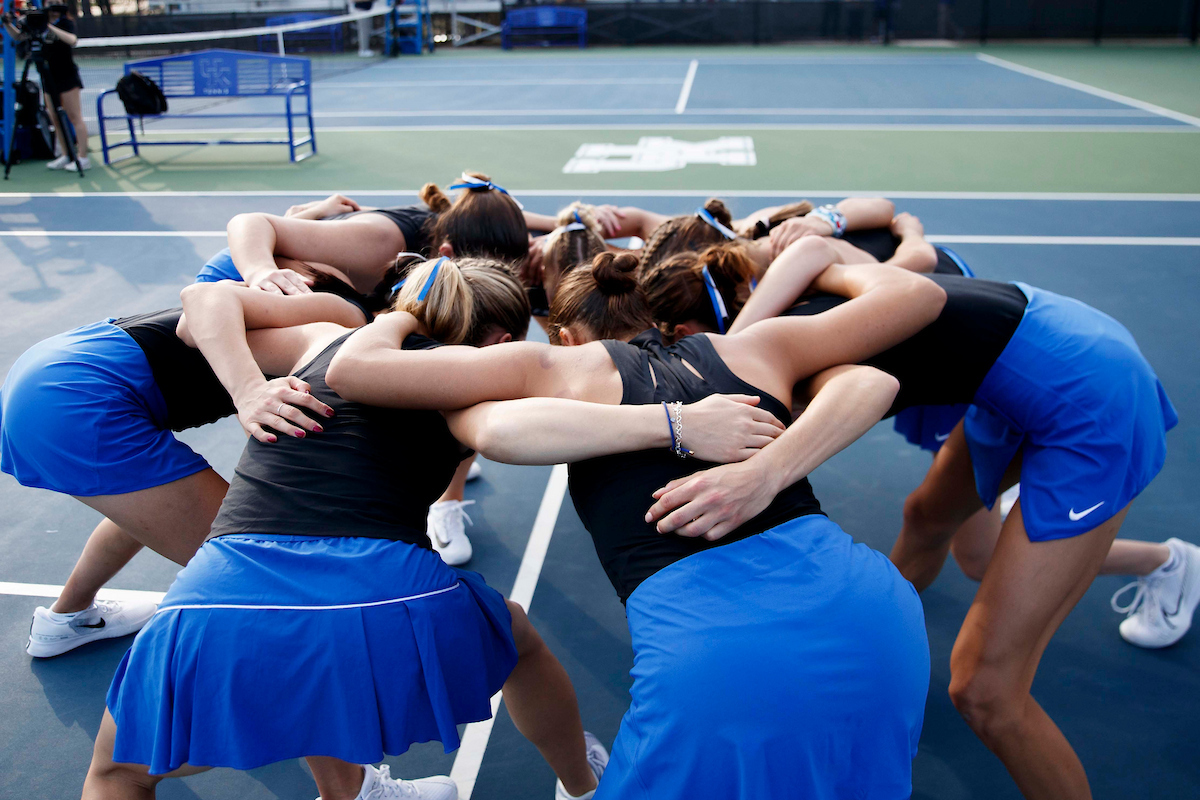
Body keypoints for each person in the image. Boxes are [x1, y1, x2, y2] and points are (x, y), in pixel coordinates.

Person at [83, 256, 782, 800]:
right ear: (499, 339)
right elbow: (523, 434)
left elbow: (197, 311)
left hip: (225, 588)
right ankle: (581, 782)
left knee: (118, 774)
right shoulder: (474, 386)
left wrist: (248, 389)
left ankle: (349, 789)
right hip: (382, 591)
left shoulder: (324, 340)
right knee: (518, 642)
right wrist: (677, 424)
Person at [323, 250, 948, 798]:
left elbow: (354, 371)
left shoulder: (556, 367)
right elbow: (914, 303)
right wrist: (827, 258)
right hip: (872, 611)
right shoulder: (753, 346)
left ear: (564, 335)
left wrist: (402, 315)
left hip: (719, 648)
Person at [647, 239, 1186, 799]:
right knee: (941, 530)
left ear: (688, 335)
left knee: (986, 692)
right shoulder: (782, 295)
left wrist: (764, 472)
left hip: (1092, 399)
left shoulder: (792, 353)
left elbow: (861, 392)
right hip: (1040, 348)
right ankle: (872, 656)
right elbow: (817, 250)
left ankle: (1168, 563)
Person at [1, 259, 377, 658]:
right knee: (258, 566)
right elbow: (203, 302)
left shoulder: (266, 313)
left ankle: (68, 617)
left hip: (56, 368)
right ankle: (178, 679)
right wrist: (248, 389)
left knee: (154, 499)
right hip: (79, 397)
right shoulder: (347, 317)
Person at [2, 1, 89, 171]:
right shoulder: (35, 24)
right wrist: (7, 24)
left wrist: (47, 26)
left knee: (74, 116)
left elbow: (72, 40)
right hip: (48, 77)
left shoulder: (65, 23)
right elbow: (19, 37)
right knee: (54, 117)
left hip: (67, 76)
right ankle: (66, 155)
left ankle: (83, 157)